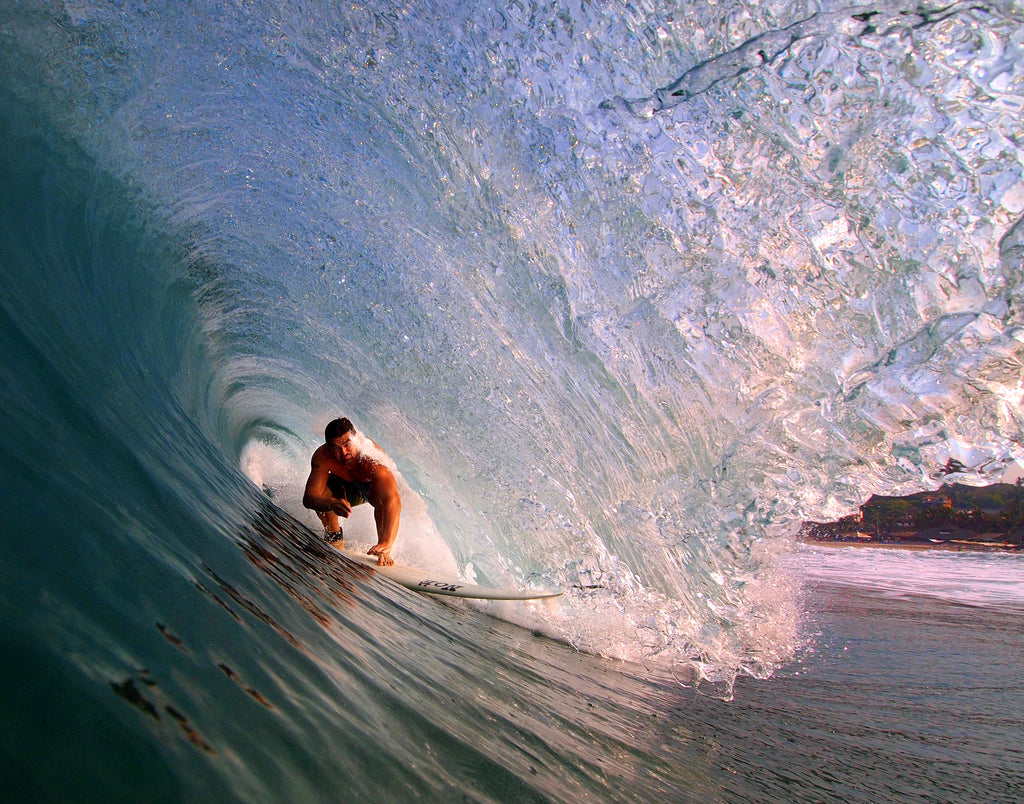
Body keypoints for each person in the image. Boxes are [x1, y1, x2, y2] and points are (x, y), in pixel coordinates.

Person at [302, 417, 402, 566]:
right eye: (335, 448)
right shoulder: (322, 456)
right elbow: (309, 498)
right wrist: (332, 503)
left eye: (347, 444)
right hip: (344, 486)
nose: (343, 452)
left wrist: (387, 542)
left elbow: (392, 500)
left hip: (371, 489)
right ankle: (334, 538)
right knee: (323, 495)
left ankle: (383, 551)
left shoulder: (371, 459)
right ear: (328, 447)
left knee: (379, 499)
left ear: (355, 439)